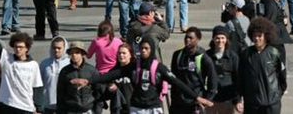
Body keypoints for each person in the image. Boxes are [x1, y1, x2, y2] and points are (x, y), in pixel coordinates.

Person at [70, 36, 214, 113]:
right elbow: (110, 75)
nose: (143, 51)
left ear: (151, 50)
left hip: (154, 108)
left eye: (146, 48)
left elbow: (177, 83)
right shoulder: (133, 66)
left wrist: (197, 97)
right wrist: (88, 81)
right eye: (141, 48)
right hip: (136, 108)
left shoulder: (159, 68)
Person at [0, 18, 43, 114]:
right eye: (16, 47)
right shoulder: (7, 59)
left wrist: (39, 108)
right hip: (8, 104)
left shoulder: (33, 65)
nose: (18, 49)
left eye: (21, 47)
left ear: (27, 48)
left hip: (26, 107)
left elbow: (37, 87)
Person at [237, 17, 287, 114]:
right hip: (252, 104)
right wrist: (238, 98)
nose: (257, 38)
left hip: (272, 104)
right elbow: (240, 77)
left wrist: (277, 95)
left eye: (260, 36)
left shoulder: (274, 53)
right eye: (255, 36)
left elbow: (282, 77)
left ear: (266, 36)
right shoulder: (245, 54)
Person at [170, 27, 218, 113]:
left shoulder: (204, 58)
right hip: (178, 103)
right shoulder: (177, 55)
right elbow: (173, 78)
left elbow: (213, 81)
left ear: (198, 40)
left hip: (194, 104)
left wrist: (205, 101)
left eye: (191, 38)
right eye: (186, 37)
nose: (187, 40)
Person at [56, 41, 101, 114]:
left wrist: (98, 111)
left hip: (88, 110)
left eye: (77, 52)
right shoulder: (65, 72)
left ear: (82, 54)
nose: (74, 55)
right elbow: (60, 94)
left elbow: (98, 92)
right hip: (71, 110)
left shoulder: (92, 71)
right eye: (72, 53)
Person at [205, 26, 241, 114]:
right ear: (213, 39)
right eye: (217, 38)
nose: (220, 41)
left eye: (222, 38)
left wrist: (237, 100)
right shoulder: (207, 56)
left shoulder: (233, 57)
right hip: (211, 99)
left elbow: (237, 79)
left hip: (227, 98)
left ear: (226, 39)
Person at [258, 0, 293, 67]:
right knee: (279, 60)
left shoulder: (266, 1)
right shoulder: (271, 5)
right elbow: (270, 21)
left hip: (274, 37)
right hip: (275, 38)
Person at [39, 36, 70, 114]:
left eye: (59, 48)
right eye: (54, 48)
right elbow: (39, 85)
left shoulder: (70, 64)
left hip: (65, 106)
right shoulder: (44, 64)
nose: (56, 50)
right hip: (47, 106)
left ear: (64, 48)